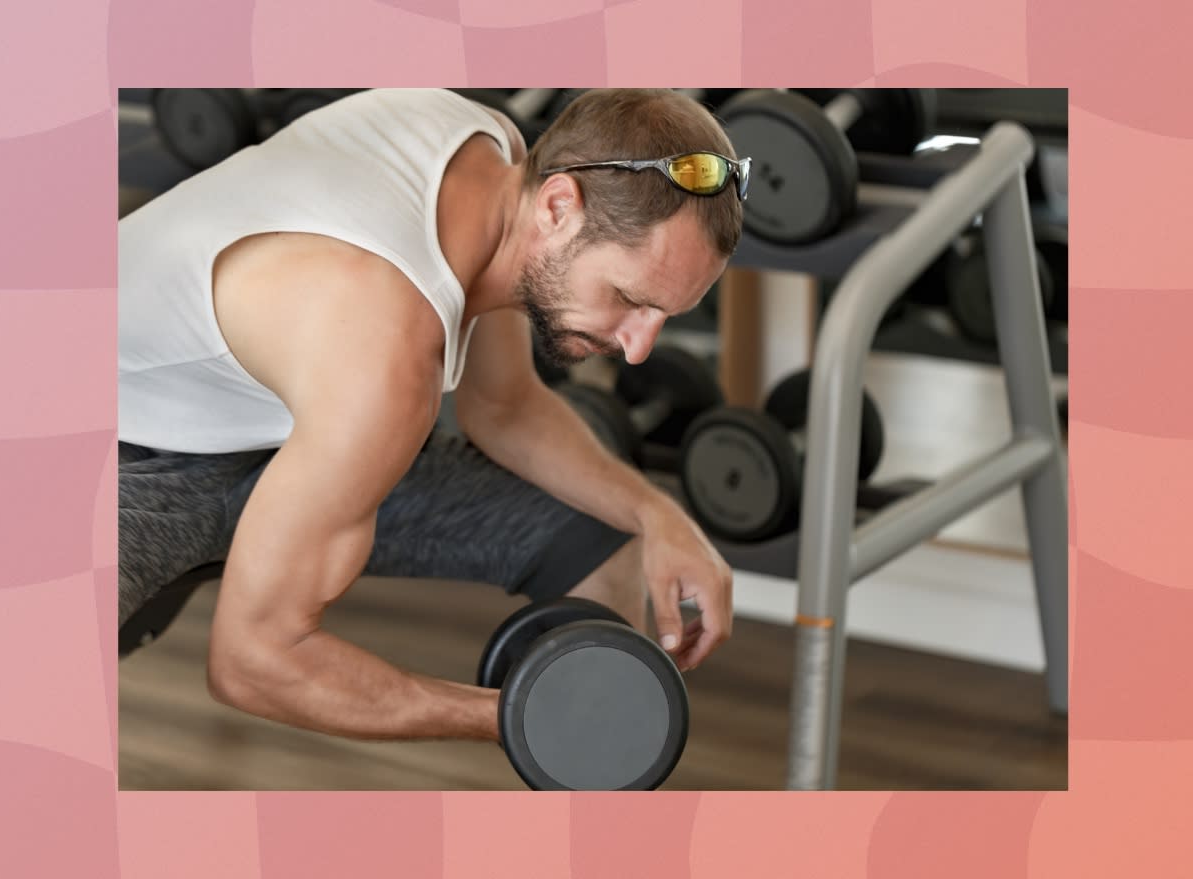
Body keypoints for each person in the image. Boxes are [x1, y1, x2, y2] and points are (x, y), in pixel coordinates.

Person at [118, 88, 747, 745]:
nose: (639, 347)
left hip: (289, 431)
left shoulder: (495, 160)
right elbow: (254, 663)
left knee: (603, 535)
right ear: (561, 205)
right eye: (626, 298)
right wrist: (531, 717)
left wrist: (659, 515)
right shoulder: (380, 343)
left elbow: (503, 408)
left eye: (663, 317)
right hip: (107, 445)